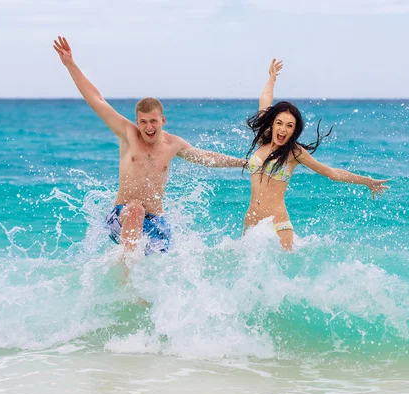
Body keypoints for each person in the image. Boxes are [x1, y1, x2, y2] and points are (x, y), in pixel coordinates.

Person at [52, 36, 245, 256]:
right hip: (122, 216)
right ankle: (126, 282)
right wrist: (71, 65)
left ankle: (147, 286)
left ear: (162, 121)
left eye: (153, 121)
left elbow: (206, 158)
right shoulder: (128, 135)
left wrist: (244, 163)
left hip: (155, 222)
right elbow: (97, 101)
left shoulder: (174, 144)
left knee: (165, 265)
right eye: (143, 122)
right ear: (137, 122)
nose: (148, 127)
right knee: (135, 209)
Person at [243, 59, 389, 250]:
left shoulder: (294, 153)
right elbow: (265, 101)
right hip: (252, 225)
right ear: (272, 123)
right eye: (279, 123)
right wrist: (271, 79)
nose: (283, 129)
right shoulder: (264, 138)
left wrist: (367, 181)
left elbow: (331, 173)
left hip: (279, 227)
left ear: (294, 130)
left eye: (289, 126)